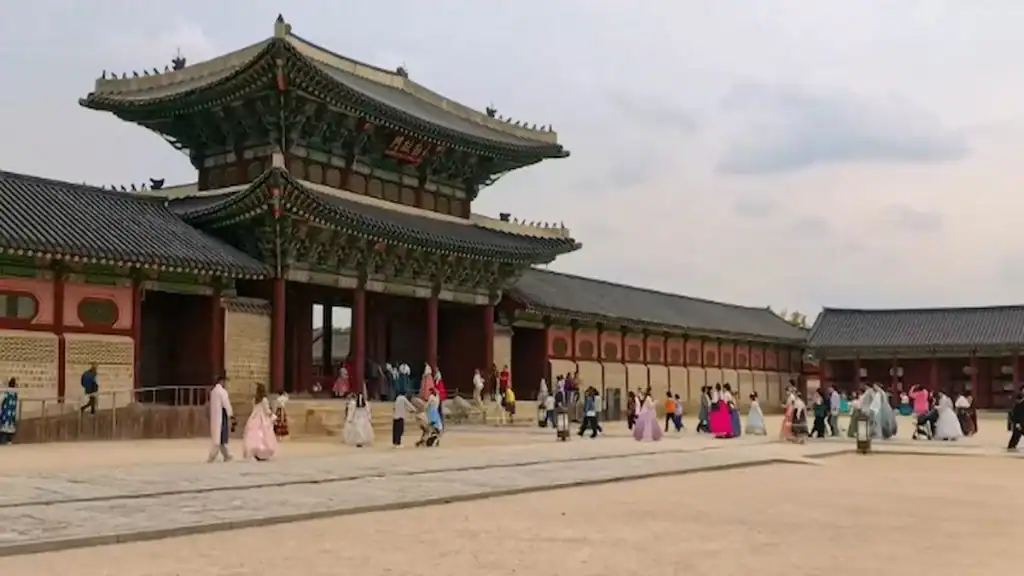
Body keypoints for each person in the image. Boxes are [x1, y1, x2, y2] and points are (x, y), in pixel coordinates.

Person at [243, 383, 278, 461]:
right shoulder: (264, 400)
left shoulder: (255, 399)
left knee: (254, 435)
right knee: (263, 435)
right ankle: (262, 453)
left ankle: (254, 452)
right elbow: (267, 410)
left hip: (254, 417)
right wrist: (272, 415)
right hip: (262, 418)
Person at [207, 374, 234, 463]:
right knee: (220, 437)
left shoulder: (213, 391)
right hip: (222, 416)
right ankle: (213, 456)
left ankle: (226, 455)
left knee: (219, 438)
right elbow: (226, 404)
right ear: (222, 381)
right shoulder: (222, 392)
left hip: (215, 416)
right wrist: (231, 414)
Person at [0, 378, 18, 445]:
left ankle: (4, 441)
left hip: (5, 413)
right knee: (10, 427)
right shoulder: (15, 395)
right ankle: (9, 441)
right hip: (11, 414)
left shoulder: (6, 394)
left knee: (4, 427)